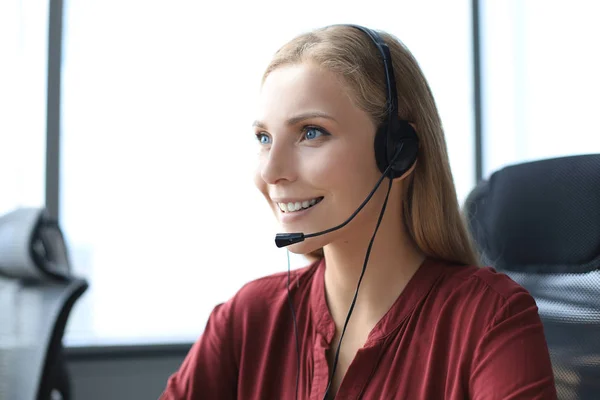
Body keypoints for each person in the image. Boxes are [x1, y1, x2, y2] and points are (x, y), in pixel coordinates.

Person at [160, 24, 557, 399]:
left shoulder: (488, 318)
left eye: (311, 132)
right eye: (264, 138)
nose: (271, 170)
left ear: (398, 153)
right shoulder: (247, 319)